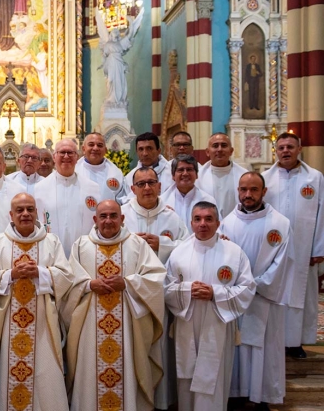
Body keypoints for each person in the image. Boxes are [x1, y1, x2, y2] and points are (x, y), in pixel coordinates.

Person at [65, 199, 165, 411]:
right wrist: (90, 284)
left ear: (122, 218)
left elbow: (155, 279)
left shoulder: (137, 245)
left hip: (127, 326)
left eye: (113, 216)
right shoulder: (82, 245)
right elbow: (67, 282)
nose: (108, 221)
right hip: (89, 325)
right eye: (103, 216)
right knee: (89, 372)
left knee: (126, 370)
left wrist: (127, 283)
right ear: (95, 219)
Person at [0, 193, 73, 411]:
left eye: (30, 209)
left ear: (37, 213)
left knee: (46, 374)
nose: (25, 214)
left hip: (43, 322)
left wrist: (41, 273)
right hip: (7, 325)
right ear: (11, 215)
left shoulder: (51, 241)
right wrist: (9, 275)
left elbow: (66, 276)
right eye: (20, 210)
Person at [165, 201, 255, 410]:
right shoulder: (179, 253)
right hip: (187, 324)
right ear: (191, 222)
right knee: (187, 375)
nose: (203, 224)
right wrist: (187, 290)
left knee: (214, 377)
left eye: (208, 219)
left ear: (218, 223)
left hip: (218, 324)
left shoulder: (234, 253)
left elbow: (248, 288)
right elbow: (166, 289)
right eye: (198, 219)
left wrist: (215, 293)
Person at [220, 172, 292, 410]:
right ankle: (235, 394)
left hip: (263, 299)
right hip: (234, 298)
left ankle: (259, 397)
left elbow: (281, 264)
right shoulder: (227, 222)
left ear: (264, 192)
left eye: (253, 190)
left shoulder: (279, 224)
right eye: (243, 189)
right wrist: (237, 288)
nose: (247, 195)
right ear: (238, 191)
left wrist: (253, 286)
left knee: (262, 348)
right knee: (236, 347)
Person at [121, 166, 187, 409]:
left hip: (161, 294)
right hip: (130, 294)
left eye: (151, 183)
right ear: (133, 188)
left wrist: (163, 243)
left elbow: (189, 248)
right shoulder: (121, 215)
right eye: (141, 184)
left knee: (160, 348)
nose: (147, 188)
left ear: (160, 186)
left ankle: (162, 401)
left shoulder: (172, 217)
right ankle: (132, 398)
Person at [262, 132, 324, 358]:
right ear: (275, 151)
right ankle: (275, 340)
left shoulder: (315, 178)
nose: (285, 151)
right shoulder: (265, 179)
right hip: (274, 249)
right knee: (275, 294)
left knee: (301, 295)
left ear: (300, 149)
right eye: (281, 148)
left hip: (304, 248)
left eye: (290, 147)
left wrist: (318, 248)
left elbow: (322, 214)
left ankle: (296, 342)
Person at [34, 138, 101, 256]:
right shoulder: (40, 188)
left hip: (85, 253)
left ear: (77, 157)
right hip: (50, 254)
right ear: (54, 157)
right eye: (62, 152)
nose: (66, 156)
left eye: (70, 153)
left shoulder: (92, 188)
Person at [96, 8, 144, 105]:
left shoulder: (120, 44)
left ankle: (118, 100)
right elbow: (104, 55)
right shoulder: (107, 44)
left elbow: (130, 35)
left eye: (117, 34)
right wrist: (103, 65)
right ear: (111, 35)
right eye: (114, 34)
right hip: (111, 64)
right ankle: (111, 98)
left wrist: (131, 23)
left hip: (118, 64)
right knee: (110, 81)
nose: (116, 35)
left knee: (119, 82)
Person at [196, 133, 248, 219]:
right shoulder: (198, 177)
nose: (219, 149)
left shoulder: (243, 175)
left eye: (224, 145)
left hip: (235, 224)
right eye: (215, 146)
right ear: (207, 152)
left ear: (231, 151)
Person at [160, 155, 216, 232]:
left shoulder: (208, 200)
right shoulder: (162, 201)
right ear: (173, 175)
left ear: (196, 175)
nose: (185, 173)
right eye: (181, 170)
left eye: (189, 169)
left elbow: (216, 228)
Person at [76, 132, 125, 202]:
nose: (95, 148)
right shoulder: (74, 171)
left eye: (99, 145)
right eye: (91, 145)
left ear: (105, 150)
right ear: (83, 149)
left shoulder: (115, 173)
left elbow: (122, 200)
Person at [124, 132, 174, 198]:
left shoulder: (172, 172)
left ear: (158, 151)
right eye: (141, 149)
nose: (145, 153)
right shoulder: (129, 177)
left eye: (149, 148)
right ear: (137, 152)